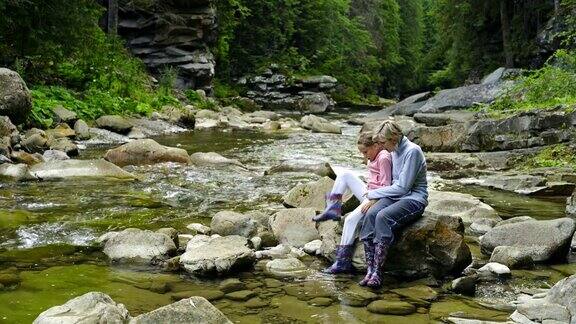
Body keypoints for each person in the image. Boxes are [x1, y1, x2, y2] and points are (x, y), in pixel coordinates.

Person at [358, 120, 428, 287]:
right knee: (370, 215)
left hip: (414, 198)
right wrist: (374, 198)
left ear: (395, 137)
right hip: (396, 196)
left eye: (383, 142)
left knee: (382, 217)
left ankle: (378, 273)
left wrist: (373, 194)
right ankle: (369, 270)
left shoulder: (413, 151)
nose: (381, 146)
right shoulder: (393, 150)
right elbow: (393, 185)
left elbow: (403, 188)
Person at [312, 130, 392, 274]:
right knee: (344, 174)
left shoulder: (384, 158)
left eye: (365, 152)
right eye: (362, 153)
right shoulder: (373, 156)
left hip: (379, 199)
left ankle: (342, 261)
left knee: (349, 220)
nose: (364, 156)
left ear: (375, 146)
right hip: (369, 193)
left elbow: (386, 186)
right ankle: (332, 209)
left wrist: (372, 201)